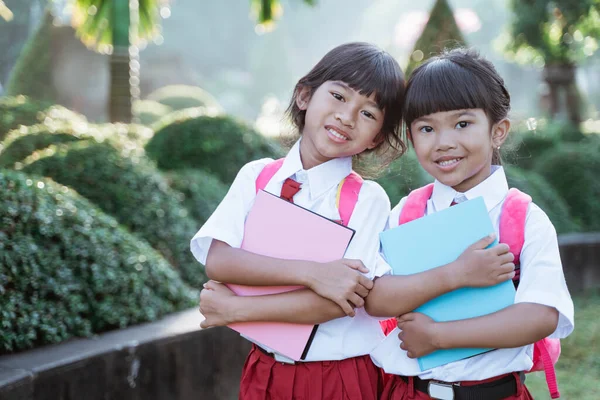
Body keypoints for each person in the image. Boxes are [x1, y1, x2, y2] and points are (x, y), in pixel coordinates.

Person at [192, 42, 406, 400]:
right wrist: (312, 272)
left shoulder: (366, 200)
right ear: (305, 96)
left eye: (368, 113)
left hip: (339, 378)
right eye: (338, 96)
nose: (347, 117)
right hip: (264, 370)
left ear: (377, 138)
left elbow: (337, 302)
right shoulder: (258, 177)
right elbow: (220, 260)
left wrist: (237, 309)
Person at [366, 48, 574, 400]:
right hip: (410, 393)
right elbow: (376, 298)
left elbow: (540, 317)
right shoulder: (405, 213)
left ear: (498, 131)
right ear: (412, 137)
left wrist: (438, 336)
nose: (445, 142)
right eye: (427, 128)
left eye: (462, 124)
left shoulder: (524, 219)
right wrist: (457, 273)